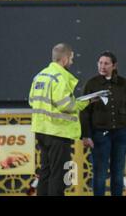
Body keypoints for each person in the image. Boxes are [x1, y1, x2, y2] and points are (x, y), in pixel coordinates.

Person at [29, 43, 96, 196]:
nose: (72, 62)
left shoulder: (40, 76)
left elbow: (32, 101)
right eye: (71, 58)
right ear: (65, 59)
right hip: (58, 133)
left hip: (42, 131)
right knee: (58, 176)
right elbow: (67, 106)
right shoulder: (60, 78)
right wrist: (86, 101)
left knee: (45, 173)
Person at [80, 51, 126, 196]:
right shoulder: (91, 84)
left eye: (106, 63)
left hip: (121, 134)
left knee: (118, 173)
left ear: (114, 66)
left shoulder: (123, 83)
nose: (102, 66)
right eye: (100, 63)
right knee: (100, 173)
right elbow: (84, 111)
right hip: (99, 135)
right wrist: (86, 135)